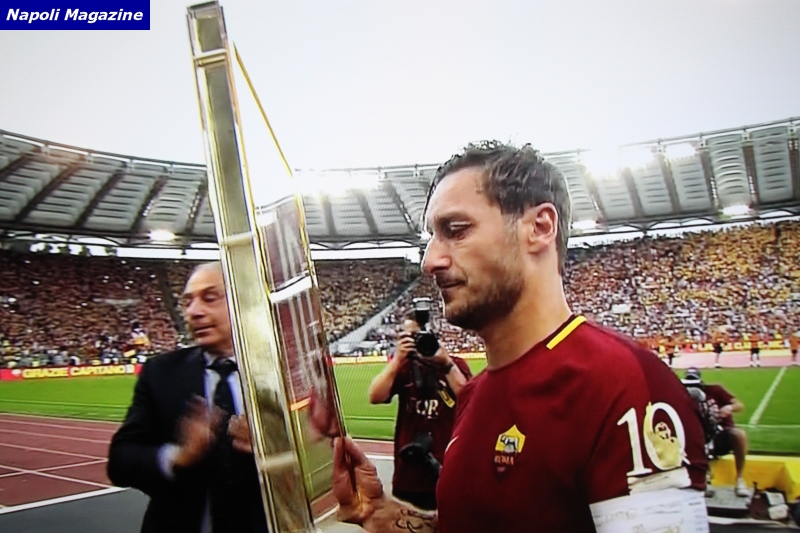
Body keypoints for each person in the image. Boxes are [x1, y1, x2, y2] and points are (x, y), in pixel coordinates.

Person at [331, 142, 708, 532]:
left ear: (539, 228)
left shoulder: (623, 386)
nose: (430, 261)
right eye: (432, 237)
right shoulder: (474, 394)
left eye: (456, 231)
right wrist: (379, 513)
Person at [107, 263, 268, 533]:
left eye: (210, 298)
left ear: (245, 302)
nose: (194, 311)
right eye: (188, 302)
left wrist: (272, 448)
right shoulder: (160, 374)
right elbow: (120, 461)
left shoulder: (282, 373)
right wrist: (178, 455)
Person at [368, 314, 471, 510]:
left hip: (447, 467)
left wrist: (446, 364)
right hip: (410, 473)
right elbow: (375, 396)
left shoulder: (454, 365)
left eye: (421, 335)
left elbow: (468, 398)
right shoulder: (404, 368)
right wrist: (397, 360)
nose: (418, 341)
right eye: (411, 336)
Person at [683, 367, 749, 497]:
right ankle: (702, 479)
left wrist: (729, 408)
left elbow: (739, 405)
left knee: (738, 435)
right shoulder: (684, 396)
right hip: (699, 438)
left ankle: (740, 478)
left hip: (720, 434)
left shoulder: (715, 390)